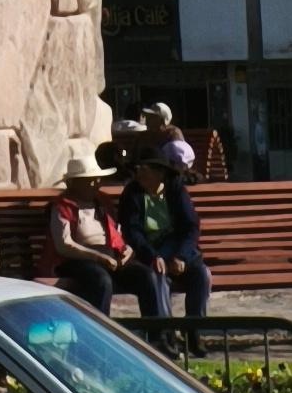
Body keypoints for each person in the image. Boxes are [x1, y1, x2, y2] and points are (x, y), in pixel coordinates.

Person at [119, 145, 212, 338]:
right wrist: (153, 256)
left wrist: (181, 256)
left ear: (159, 173)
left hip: (178, 253)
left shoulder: (176, 190)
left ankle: (194, 331)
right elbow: (132, 231)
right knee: (157, 276)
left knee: (201, 275)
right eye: (138, 169)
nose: (139, 173)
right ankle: (165, 334)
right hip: (150, 254)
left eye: (145, 169)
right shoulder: (132, 193)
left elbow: (191, 227)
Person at [49, 149, 130, 315]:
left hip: (109, 257)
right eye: (89, 180)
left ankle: (160, 336)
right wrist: (98, 257)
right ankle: (102, 331)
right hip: (77, 260)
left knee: (147, 276)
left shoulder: (103, 202)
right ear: (73, 183)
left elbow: (117, 233)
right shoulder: (62, 206)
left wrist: (127, 250)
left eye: (97, 179)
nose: (96, 183)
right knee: (101, 281)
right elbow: (64, 245)